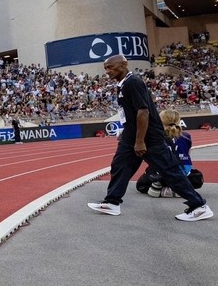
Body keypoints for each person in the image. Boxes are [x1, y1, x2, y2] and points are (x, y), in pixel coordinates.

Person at [87, 54, 212, 221]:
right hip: (131, 138)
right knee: (120, 166)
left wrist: (139, 141)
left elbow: (143, 111)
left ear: (124, 65)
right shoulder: (123, 85)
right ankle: (112, 202)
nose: (107, 71)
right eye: (106, 68)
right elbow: (131, 114)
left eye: (111, 67)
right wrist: (127, 133)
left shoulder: (133, 83)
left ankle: (198, 206)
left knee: (169, 171)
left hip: (149, 138)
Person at [137, 109, 202, 197]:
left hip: (161, 172)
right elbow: (188, 154)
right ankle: (178, 188)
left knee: (141, 185)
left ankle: (159, 185)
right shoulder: (186, 136)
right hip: (182, 173)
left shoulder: (155, 136)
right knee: (196, 177)